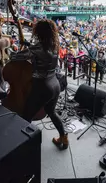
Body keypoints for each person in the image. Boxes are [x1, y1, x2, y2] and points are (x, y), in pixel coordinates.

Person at [14, 19, 68, 150]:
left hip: (42, 86)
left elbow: (15, 57)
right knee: (51, 112)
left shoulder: (37, 47)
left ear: (39, 32)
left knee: (26, 115)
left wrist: (14, 49)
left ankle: (23, 146)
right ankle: (64, 138)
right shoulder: (55, 45)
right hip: (55, 84)